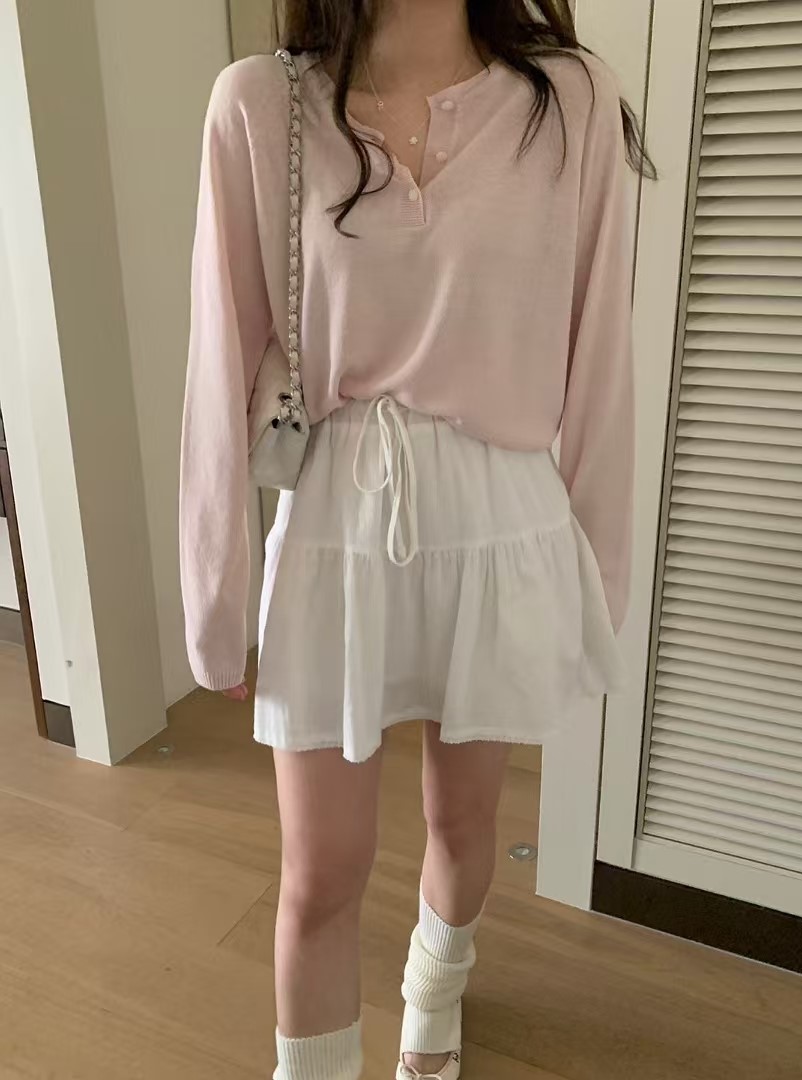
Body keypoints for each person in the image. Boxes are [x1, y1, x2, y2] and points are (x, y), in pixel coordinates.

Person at [180, 1, 652, 1077]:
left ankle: (433, 1002)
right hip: (336, 529)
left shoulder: (570, 99)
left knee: (464, 824)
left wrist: (597, 583)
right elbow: (218, 362)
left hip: (502, 527)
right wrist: (216, 595)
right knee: (319, 874)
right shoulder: (259, 105)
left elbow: (601, 359)